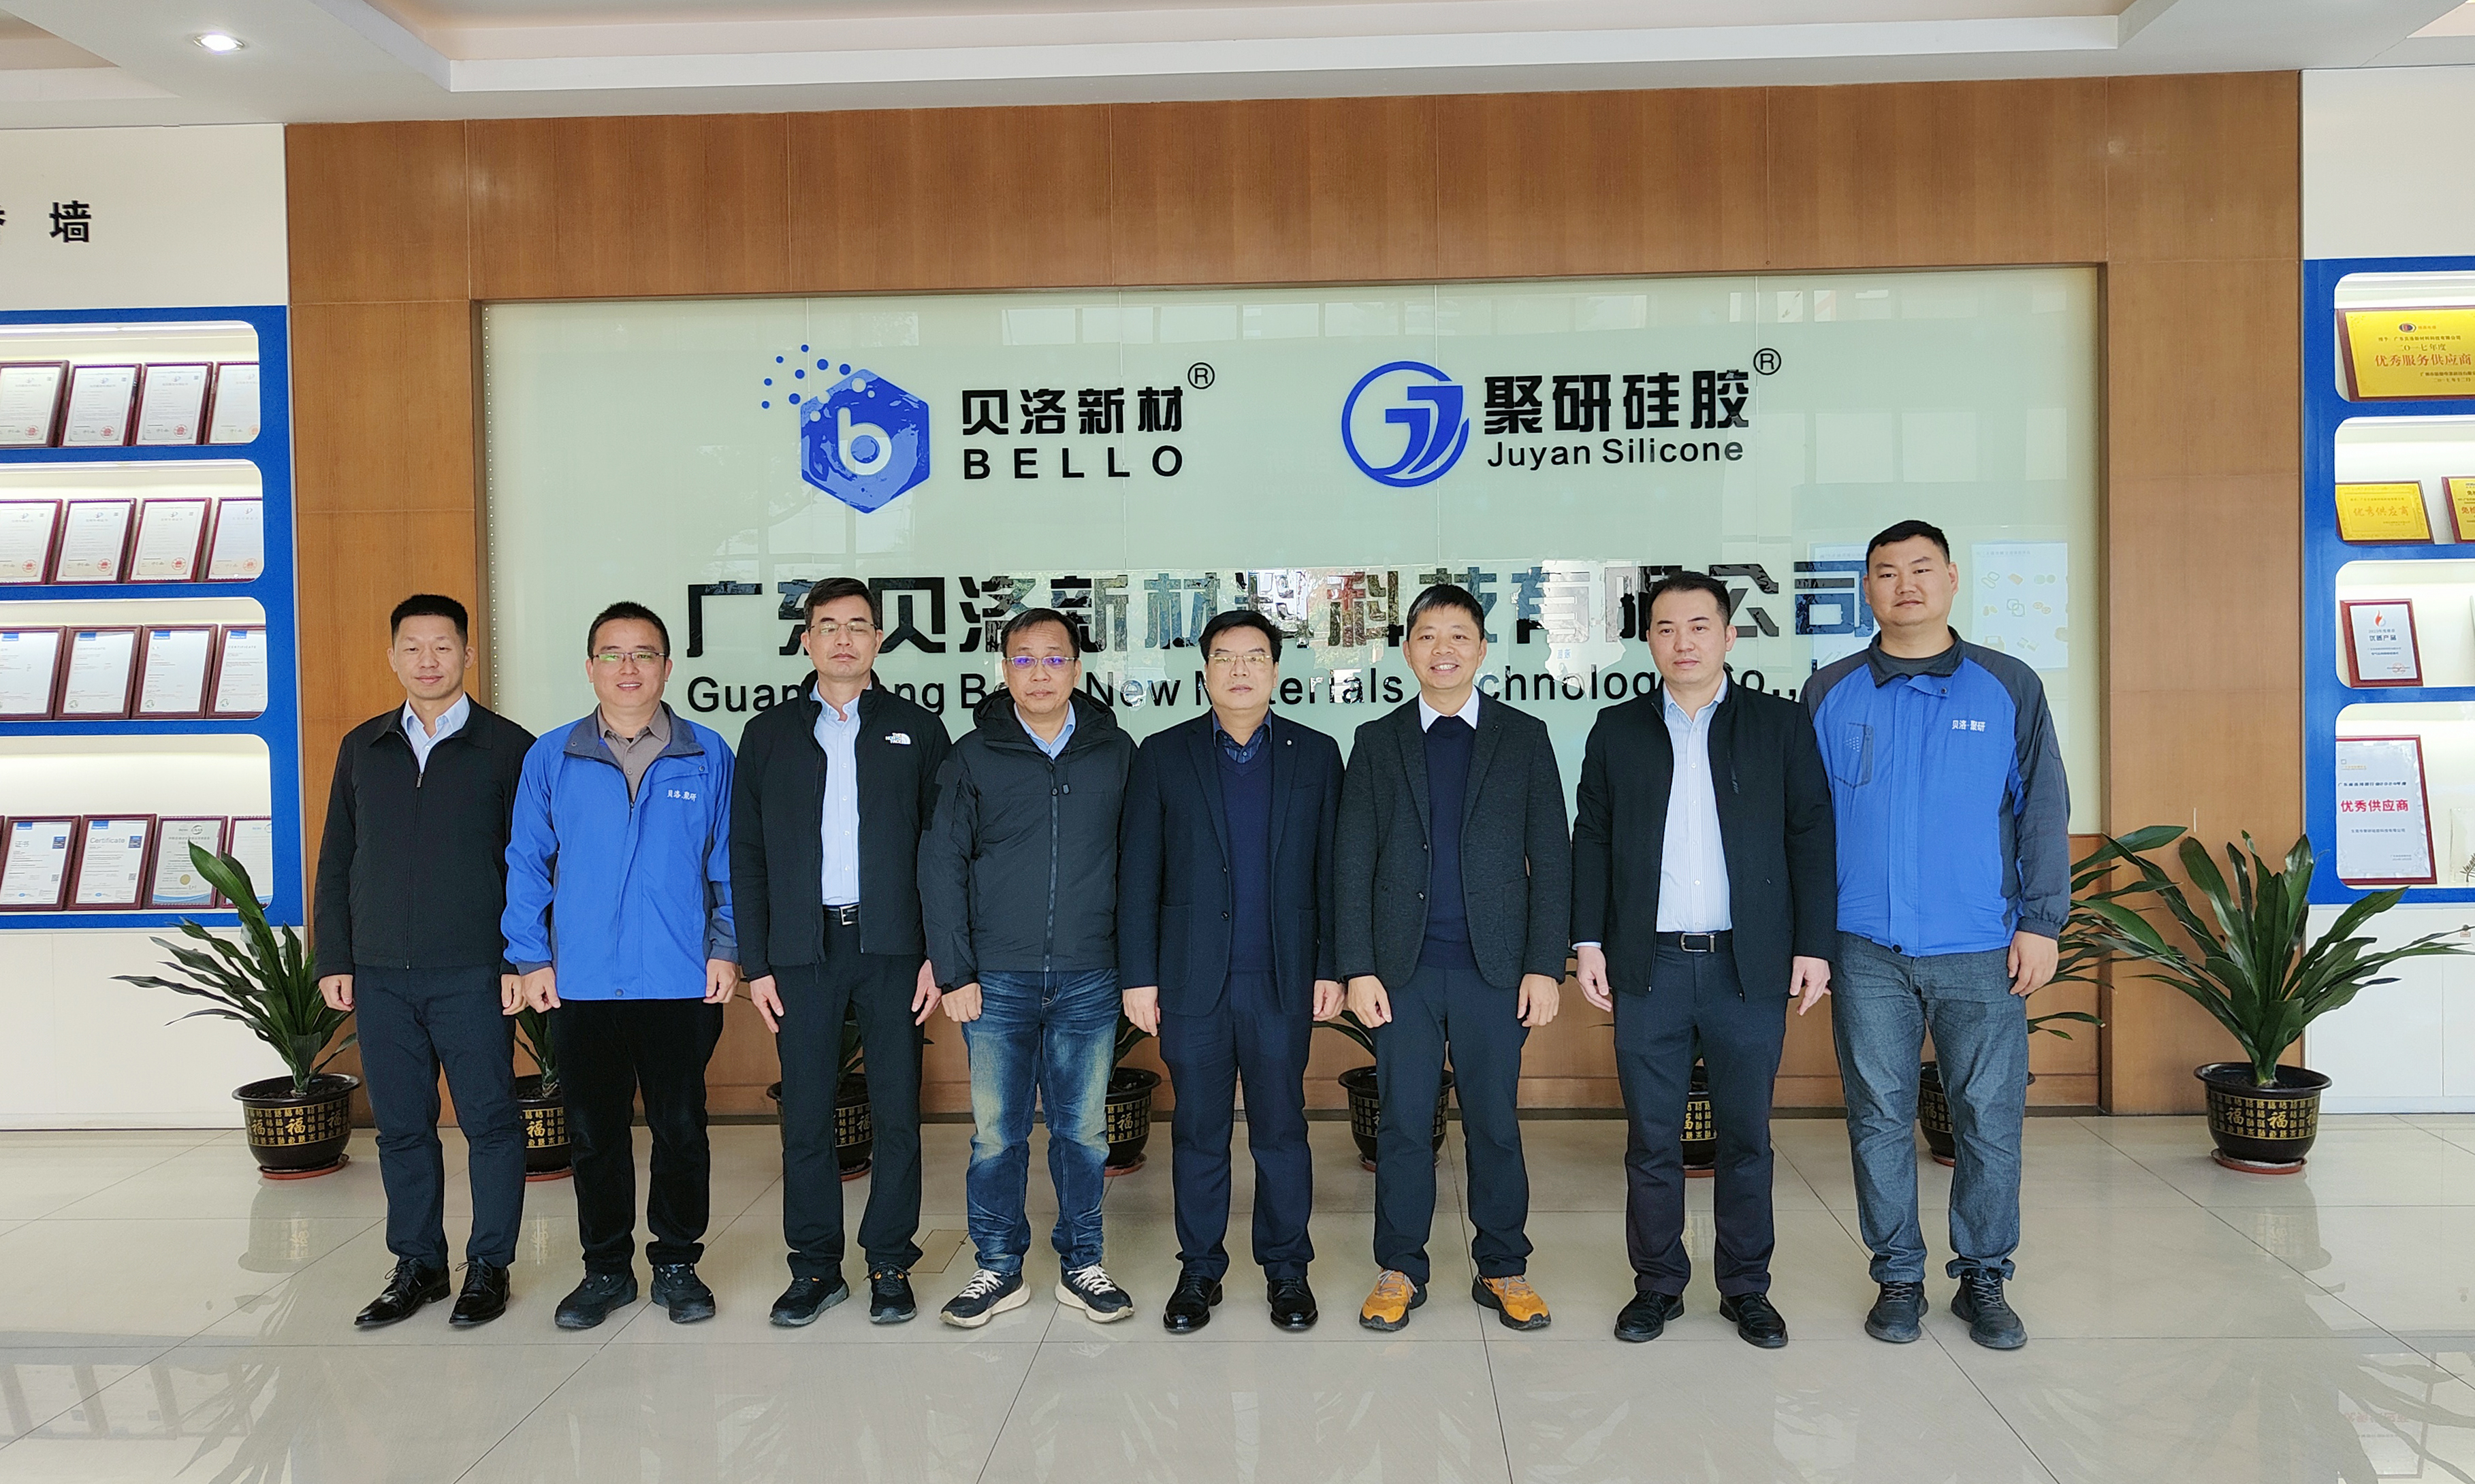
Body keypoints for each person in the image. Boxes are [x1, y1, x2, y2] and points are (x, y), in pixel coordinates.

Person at [1804, 519, 2069, 1352]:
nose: (1904, 585)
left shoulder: (2006, 684)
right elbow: (1803, 823)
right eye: (1886, 572)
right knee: (1877, 1114)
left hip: (1979, 944)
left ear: (1951, 579)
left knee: (1987, 1116)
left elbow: (2042, 809)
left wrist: (2040, 922)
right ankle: (1897, 1274)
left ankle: (1982, 1273)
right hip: (1863, 946)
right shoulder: (1830, 690)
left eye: (1921, 568)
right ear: (1867, 588)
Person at [1570, 570, 1836, 1347]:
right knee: (1650, 1138)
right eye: (1664, 628)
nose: (1681, 642)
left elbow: (1810, 836)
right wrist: (1586, 941)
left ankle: (1745, 1287)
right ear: (1647, 640)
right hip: (1646, 964)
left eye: (1697, 626)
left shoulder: (1778, 725)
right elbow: (1590, 838)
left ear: (1727, 635)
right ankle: (1656, 1284)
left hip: (1745, 966)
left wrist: (1812, 945)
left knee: (1745, 1136)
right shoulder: (1616, 729)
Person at [1337, 582, 1571, 1333]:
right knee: (1404, 1126)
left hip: (1493, 970)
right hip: (1399, 972)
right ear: (1407, 651)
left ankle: (1503, 1265)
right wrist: (1357, 967)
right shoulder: (1376, 741)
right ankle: (1399, 1267)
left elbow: (1552, 859)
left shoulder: (1523, 736)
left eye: (1459, 635)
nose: (1443, 649)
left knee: (1494, 1123)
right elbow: (1351, 861)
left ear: (1481, 649)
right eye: (1428, 636)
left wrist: (1545, 965)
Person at [503, 600, 739, 1330]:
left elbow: (730, 863)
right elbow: (526, 862)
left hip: (680, 978)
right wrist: (530, 954)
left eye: (643, 654)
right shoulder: (553, 755)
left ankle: (677, 1262)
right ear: (590, 667)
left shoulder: (707, 753)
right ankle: (605, 1268)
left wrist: (726, 946)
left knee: (681, 1129)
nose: (628, 667)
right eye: (612, 653)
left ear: (668, 667)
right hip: (583, 981)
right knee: (594, 1132)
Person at [733, 577, 952, 1327]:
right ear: (806, 641)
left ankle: (889, 1260)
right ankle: (815, 1266)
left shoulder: (917, 729)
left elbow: (942, 849)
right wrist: (758, 962)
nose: (843, 639)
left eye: (858, 625)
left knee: (896, 1111)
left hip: (894, 948)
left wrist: (938, 953)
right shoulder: (767, 734)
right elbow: (746, 853)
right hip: (802, 949)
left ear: (879, 639)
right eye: (828, 626)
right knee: (805, 1115)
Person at [1119, 609, 1345, 1334]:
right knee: (1197, 1131)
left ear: (1275, 670)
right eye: (1224, 657)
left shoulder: (1316, 755)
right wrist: (1138, 976)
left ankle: (1287, 1270)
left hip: (1282, 977)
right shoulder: (1162, 753)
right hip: (1192, 981)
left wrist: (1331, 965)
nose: (1239, 669)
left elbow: (1333, 869)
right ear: (1205, 671)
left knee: (1281, 1131)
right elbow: (1138, 874)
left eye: (1253, 656)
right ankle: (1198, 1270)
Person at [315, 594, 535, 1330]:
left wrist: (519, 959)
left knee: (490, 1122)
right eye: (412, 647)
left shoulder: (509, 748)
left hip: (475, 972)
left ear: (468, 654)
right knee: (402, 1127)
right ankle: (419, 1265)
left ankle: (490, 1265)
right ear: (393, 657)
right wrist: (335, 956)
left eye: (442, 646)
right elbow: (338, 858)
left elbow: (535, 863)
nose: (428, 660)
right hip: (380, 974)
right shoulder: (363, 746)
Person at [919, 607, 1138, 1327]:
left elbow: (1142, 864)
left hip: (1090, 972)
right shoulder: (972, 754)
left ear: (1076, 666)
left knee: (1083, 1133)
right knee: (996, 1134)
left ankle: (1082, 1263)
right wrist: (954, 972)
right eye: (1023, 658)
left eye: (1053, 657)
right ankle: (997, 1266)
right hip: (996, 978)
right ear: (1003, 668)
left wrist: (1137, 967)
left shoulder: (1115, 751)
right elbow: (941, 864)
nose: (1038, 672)